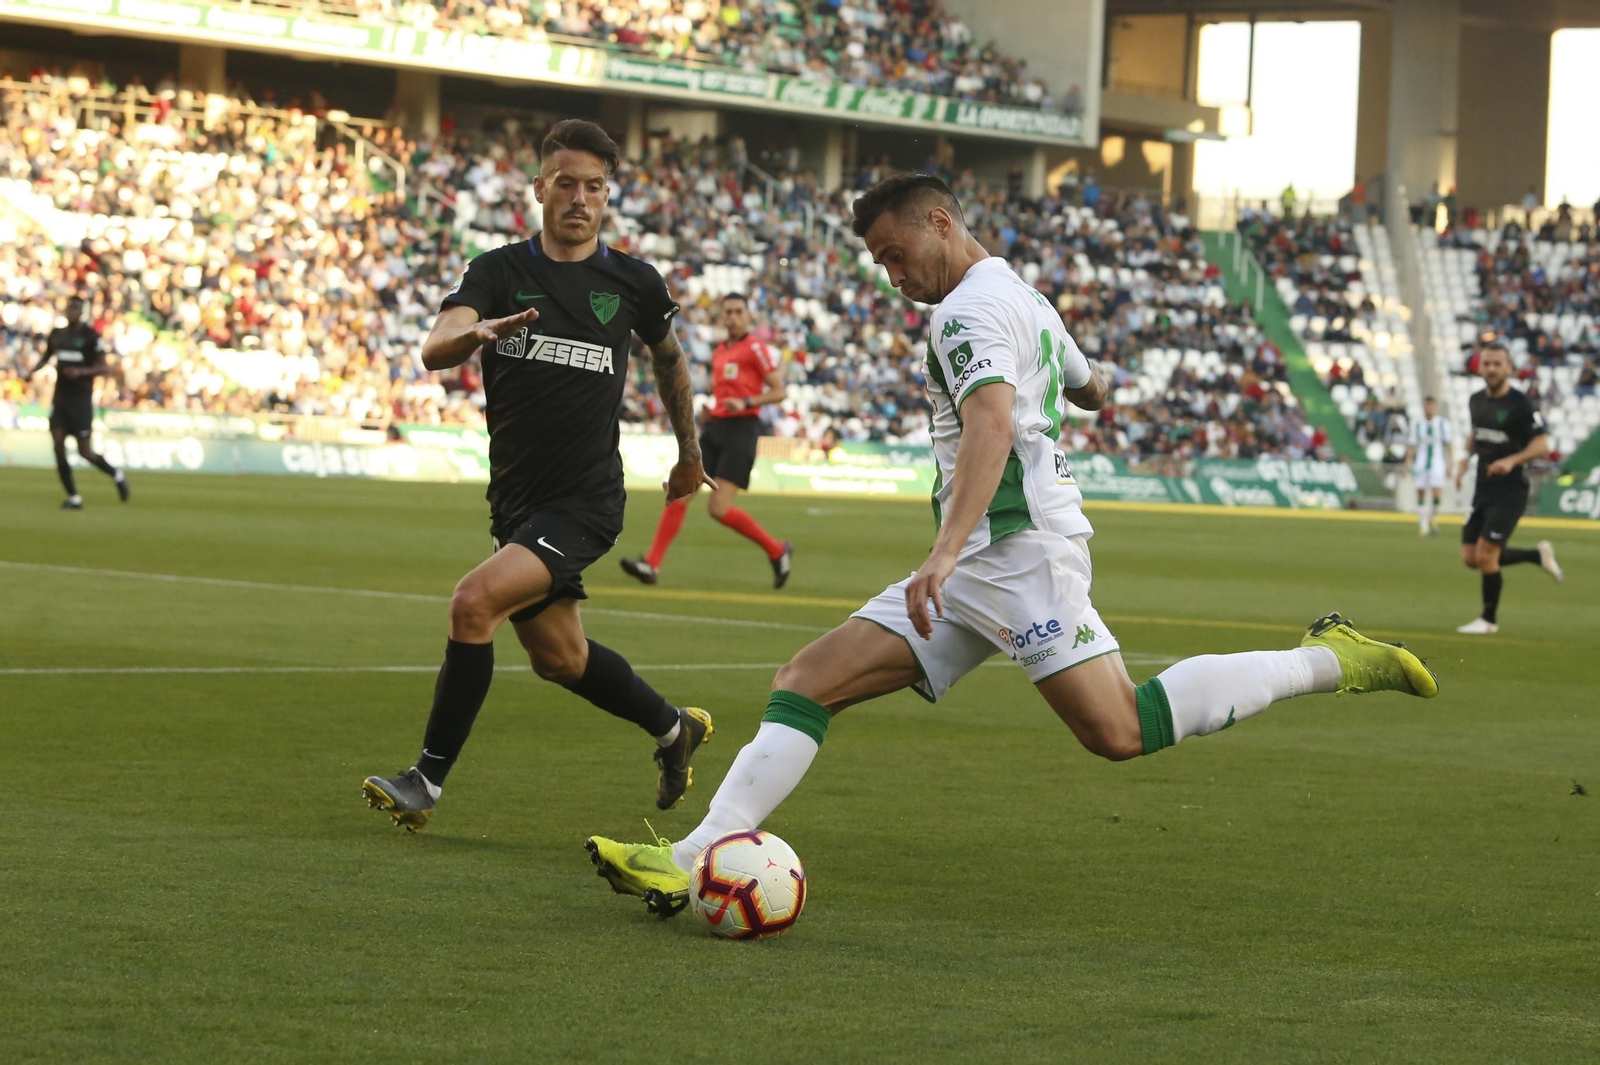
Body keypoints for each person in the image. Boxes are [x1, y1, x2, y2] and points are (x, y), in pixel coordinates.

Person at [581, 174, 1440, 915]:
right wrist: (1080, 381)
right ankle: (690, 859)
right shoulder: (1022, 296)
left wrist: (946, 550)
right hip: (990, 556)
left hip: (1016, 554)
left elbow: (992, 421)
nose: (892, 273)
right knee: (808, 680)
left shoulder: (965, 313)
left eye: (894, 251)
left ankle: (1330, 658)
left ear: (942, 223)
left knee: (1120, 728)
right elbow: (1092, 385)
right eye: (878, 261)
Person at [362, 120, 716, 831]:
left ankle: (425, 780)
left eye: (594, 187)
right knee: (561, 657)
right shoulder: (497, 271)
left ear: (607, 195)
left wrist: (689, 451)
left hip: (586, 501)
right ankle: (674, 728)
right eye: (566, 184)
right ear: (539, 190)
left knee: (471, 603)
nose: (579, 199)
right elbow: (435, 348)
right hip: (517, 504)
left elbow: (669, 358)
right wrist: (475, 333)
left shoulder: (634, 281)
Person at [620, 292, 794, 587]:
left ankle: (777, 550)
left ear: (748, 315)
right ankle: (651, 565)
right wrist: (711, 411)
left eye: (739, 311)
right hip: (717, 428)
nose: (733, 317)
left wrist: (749, 401)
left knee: (718, 508)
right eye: (728, 312)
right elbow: (725, 394)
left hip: (742, 431)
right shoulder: (721, 351)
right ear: (721, 317)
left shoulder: (756, 348)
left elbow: (780, 391)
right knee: (680, 493)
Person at [1454, 342, 1564, 635]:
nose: (1491, 369)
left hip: (1510, 491)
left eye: (1497, 364)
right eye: (1486, 363)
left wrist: (1511, 461)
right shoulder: (1476, 400)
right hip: (1483, 489)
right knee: (1471, 557)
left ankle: (1488, 620)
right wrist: (1464, 460)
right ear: (1479, 367)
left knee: (1487, 555)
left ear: (1509, 368)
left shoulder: (1520, 404)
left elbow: (1543, 444)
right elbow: (1476, 434)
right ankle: (1535, 555)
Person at [23, 294, 128, 510]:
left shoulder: (91, 336)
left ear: (82, 312)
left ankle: (116, 474)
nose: (72, 312)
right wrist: (31, 372)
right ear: (66, 310)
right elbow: (46, 357)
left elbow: (104, 368)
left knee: (85, 452)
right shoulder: (58, 334)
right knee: (58, 445)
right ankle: (73, 496)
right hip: (60, 399)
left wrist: (80, 372)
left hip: (80, 401)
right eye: (70, 308)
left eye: (76, 308)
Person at [1404, 396, 1452, 536]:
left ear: (1435, 407)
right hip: (1421, 463)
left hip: (1437, 463)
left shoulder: (1443, 424)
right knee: (1421, 493)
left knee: (1437, 494)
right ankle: (1423, 524)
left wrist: (1451, 463)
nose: (1429, 408)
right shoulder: (1417, 425)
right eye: (1427, 405)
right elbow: (1412, 446)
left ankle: (1434, 518)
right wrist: (1407, 464)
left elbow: (1449, 444)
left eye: (1431, 405)